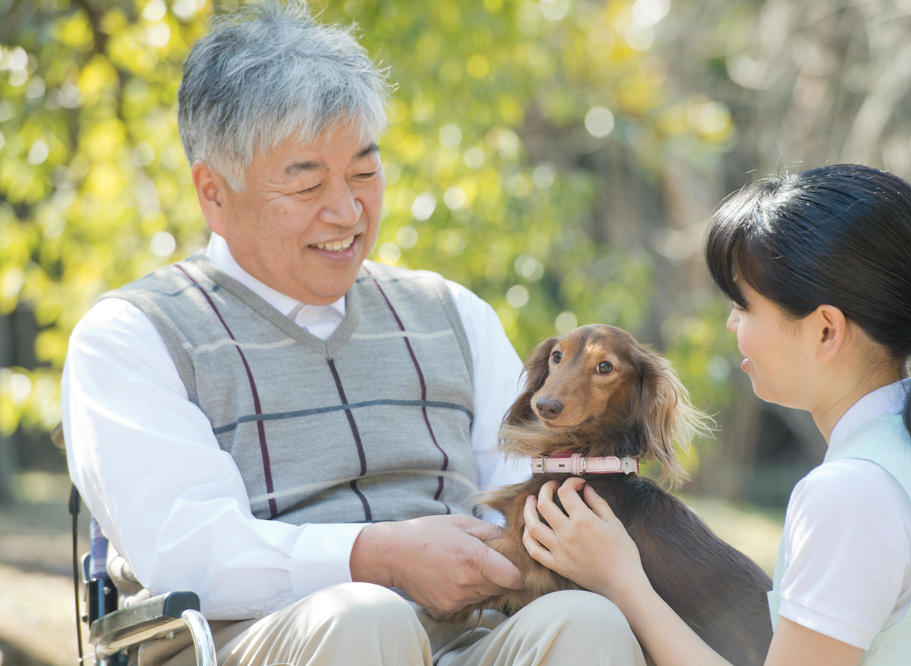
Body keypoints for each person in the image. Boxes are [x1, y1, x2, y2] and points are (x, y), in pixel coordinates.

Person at [61, 2, 646, 664]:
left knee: (586, 621)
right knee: (365, 619)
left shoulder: (452, 314)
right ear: (213, 194)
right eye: (306, 183)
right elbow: (185, 549)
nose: (347, 211)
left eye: (365, 171)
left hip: (466, 634)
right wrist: (375, 556)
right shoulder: (134, 335)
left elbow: (527, 498)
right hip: (263, 640)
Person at [523, 163, 911, 665]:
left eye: (743, 306)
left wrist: (622, 583)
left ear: (825, 331)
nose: (731, 324)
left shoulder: (852, 494)